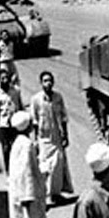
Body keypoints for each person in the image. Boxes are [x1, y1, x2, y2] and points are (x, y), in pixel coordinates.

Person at [29, 71, 74, 206]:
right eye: (45, 81)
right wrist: (36, 140)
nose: (48, 83)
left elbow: (64, 117)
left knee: (58, 166)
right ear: (41, 83)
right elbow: (34, 120)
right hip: (43, 139)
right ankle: (44, 196)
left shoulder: (58, 97)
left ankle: (55, 194)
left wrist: (65, 135)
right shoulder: (36, 99)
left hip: (56, 137)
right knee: (45, 168)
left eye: (50, 80)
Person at [7, 111, 51, 218]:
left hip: (21, 193)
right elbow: (25, 172)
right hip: (28, 196)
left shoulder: (18, 142)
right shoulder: (26, 144)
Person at [0, 68, 23, 172]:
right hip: (3, 124)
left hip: (16, 123)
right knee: (6, 148)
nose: (5, 80)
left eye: (6, 78)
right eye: (2, 78)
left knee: (17, 147)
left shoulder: (15, 91)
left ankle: (17, 170)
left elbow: (20, 105)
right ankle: (9, 171)